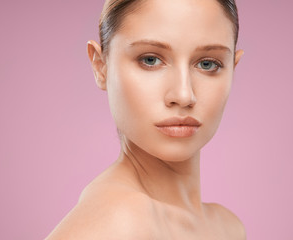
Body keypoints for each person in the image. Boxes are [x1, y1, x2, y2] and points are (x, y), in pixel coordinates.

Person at [46, 0, 245, 239]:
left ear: (234, 67)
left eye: (207, 64)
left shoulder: (228, 227)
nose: (183, 95)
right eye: (150, 60)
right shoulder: (117, 222)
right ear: (100, 66)